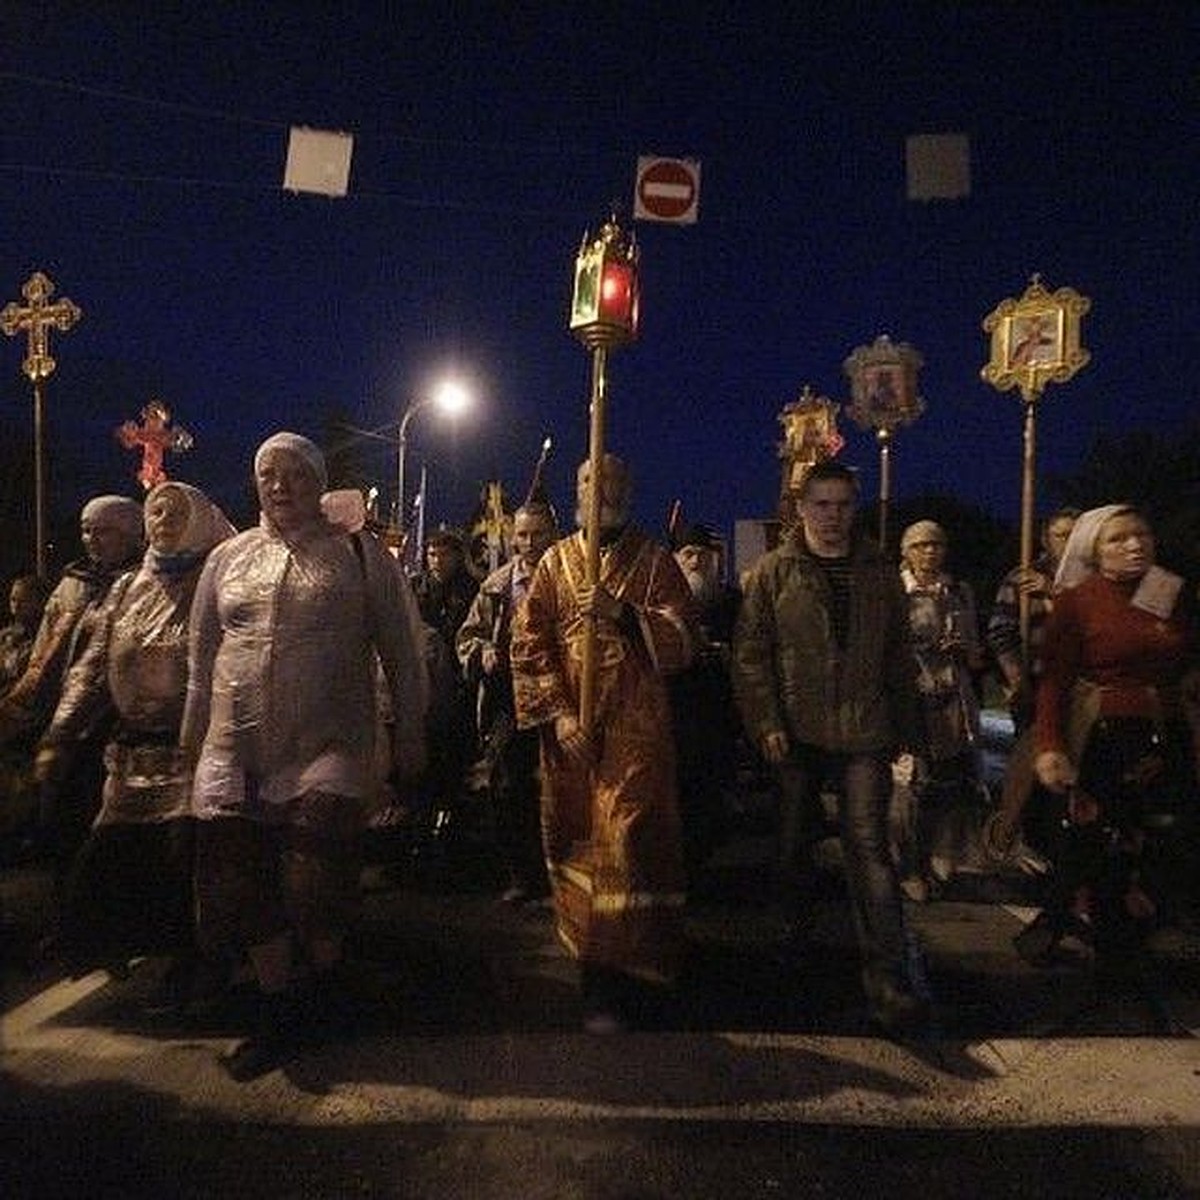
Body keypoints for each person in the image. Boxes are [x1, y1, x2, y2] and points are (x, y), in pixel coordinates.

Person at [180, 431, 428, 1080]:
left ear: (318, 481)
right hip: (235, 747)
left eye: (294, 473)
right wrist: (192, 731)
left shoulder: (358, 553)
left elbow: (402, 650)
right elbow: (201, 658)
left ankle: (325, 984)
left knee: (313, 879)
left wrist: (410, 731)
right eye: (268, 473)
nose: (280, 484)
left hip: (330, 742)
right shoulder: (227, 559)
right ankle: (277, 1009)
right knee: (241, 881)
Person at [732, 460, 929, 1035]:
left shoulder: (879, 571)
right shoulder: (775, 571)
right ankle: (792, 942)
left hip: (864, 729)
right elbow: (752, 654)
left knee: (869, 847)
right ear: (801, 508)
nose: (833, 516)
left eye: (843, 504)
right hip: (796, 728)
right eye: (822, 504)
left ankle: (888, 976)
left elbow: (897, 655)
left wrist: (909, 733)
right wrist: (765, 720)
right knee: (793, 843)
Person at [510, 453, 696, 1032]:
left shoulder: (656, 561)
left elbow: (686, 639)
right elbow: (527, 641)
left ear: (629, 490)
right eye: (592, 481)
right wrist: (560, 716)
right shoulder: (554, 562)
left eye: (614, 480)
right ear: (577, 492)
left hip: (634, 734)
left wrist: (623, 613)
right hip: (573, 733)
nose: (602, 490)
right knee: (576, 844)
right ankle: (595, 961)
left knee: (624, 844)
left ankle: (614, 978)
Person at [34, 483, 234, 994]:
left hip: (196, 751)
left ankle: (197, 966)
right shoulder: (127, 589)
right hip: (133, 752)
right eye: (156, 510)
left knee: (185, 864)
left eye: (176, 510)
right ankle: (113, 946)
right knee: (115, 854)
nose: (163, 518)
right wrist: (59, 735)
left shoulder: (219, 584)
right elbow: (92, 669)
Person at [1020, 505, 1198, 1016]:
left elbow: (1187, 655)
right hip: (1104, 737)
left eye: (1141, 534)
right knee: (1106, 845)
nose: (1135, 545)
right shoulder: (1079, 602)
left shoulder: (1168, 591)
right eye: (1119, 539)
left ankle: (1081, 924)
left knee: (1163, 842)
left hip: (1165, 735)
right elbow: (1054, 680)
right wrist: (1049, 745)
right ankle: (1116, 957)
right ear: (1094, 548)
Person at [0, 496, 144, 880]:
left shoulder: (142, 582)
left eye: (104, 532)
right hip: (60, 705)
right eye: (86, 530)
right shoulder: (73, 583)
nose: (92, 540)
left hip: (109, 716)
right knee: (55, 802)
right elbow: (48, 648)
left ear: (131, 534)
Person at [456, 499, 558, 905]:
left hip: (556, 699)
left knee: (555, 788)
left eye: (538, 534)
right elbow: (467, 637)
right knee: (507, 788)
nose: (529, 543)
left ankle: (559, 876)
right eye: (522, 535)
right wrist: (481, 652)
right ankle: (521, 874)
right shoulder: (495, 586)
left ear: (554, 533)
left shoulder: (568, 577)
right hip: (507, 701)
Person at [895, 519, 986, 901]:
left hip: (953, 699)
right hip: (913, 698)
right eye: (920, 545)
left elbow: (978, 653)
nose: (929, 552)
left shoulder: (959, 592)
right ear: (907, 551)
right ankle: (908, 865)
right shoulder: (896, 593)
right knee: (911, 786)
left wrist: (963, 649)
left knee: (950, 784)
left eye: (935, 545)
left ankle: (941, 851)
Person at [982, 507, 1079, 859]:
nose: (1067, 542)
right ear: (1045, 540)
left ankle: (1062, 846)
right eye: (1060, 535)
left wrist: (1053, 592)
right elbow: (1001, 631)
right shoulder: (1022, 578)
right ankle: (1014, 828)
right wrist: (1016, 679)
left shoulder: (1090, 579)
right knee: (1035, 758)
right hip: (1037, 682)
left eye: (1074, 534)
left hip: (1082, 687)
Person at [667, 522, 742, 892]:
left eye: (701, 554)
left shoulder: (729, 601)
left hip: (718, 710)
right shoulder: (663, 600)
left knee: (712, 797)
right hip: (677, 711)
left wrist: (728, 653)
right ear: (676, 560)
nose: (695, 561)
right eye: (687, 554)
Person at [0, 574, 50, 693]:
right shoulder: (5, 635)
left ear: (39, 602)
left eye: (24, 601)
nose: (16, 606)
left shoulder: (45, 638)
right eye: (13, 599)